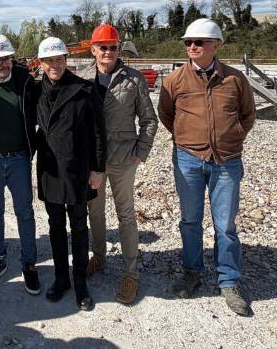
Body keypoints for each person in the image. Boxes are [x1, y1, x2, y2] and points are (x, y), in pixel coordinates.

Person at [158, 18, 256, 317]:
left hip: (227, 161)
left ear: (216, 45)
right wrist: (187, 138)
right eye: (188, 42)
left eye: (199, 42)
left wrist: (232, 136)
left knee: (225, 225)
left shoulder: (235, 80)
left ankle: (228, 280)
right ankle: (192, 271)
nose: (192, 47)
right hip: (188, 159)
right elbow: (166, 114)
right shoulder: (174, 81)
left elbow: (247, 115)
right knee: (190, 220)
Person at [79, 23, 158, 305]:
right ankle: (99, 258)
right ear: (93, 50)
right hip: (93, 161)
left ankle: (130, 274)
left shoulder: (133, 79)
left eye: (113, 47)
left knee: (126, 215)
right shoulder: (83, 78)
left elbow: (149, 120)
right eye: (103, 47)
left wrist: (141, 153)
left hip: (124, 160)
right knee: (95, 212)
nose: (108, 52)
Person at [34, 37, 106, 312]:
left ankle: (80, 283)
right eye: (49, 60)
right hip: (50, 170)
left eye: (59, 59)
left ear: (66, 60)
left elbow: (99, 134)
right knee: (54, 225)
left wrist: (98, 169)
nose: (55, 65)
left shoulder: (84, 90)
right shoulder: (34, 91)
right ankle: (61, 278)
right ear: (41, 63)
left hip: (77, 170)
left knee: (78, 225)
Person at [0, 34, 41, 294]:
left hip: (19, 158)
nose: (2, 64)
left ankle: (29, 263)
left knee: (24, 211)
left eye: (6, 58)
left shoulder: (25, 82)